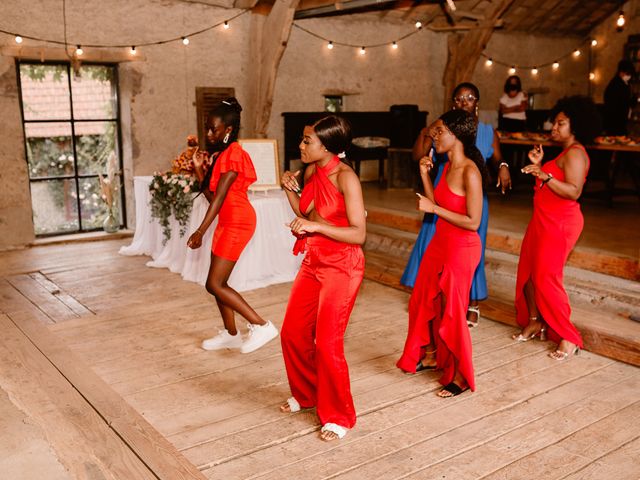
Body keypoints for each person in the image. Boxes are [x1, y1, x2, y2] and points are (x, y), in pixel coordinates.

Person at [279, 115, 366, 442]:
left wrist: (315, 227)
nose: (301, 146)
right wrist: (290, 191)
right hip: (315, 260)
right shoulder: (315, 171)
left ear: (327, 146)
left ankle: (340, 415)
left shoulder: (347, 178)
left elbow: (359, 233)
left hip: (343, 266)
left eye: (306, 141)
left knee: (327, 344)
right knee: (292, 333)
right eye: (302, 140)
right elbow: (307, 217)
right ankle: (306, 395)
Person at [401, 82, 512, 327]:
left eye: (470, 98)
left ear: (477, 103)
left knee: (471, 249)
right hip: (441, 191)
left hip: (472, 196)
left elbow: (498, 158)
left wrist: (503, 167)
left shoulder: (486, 131)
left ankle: (472, 301)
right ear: (453, 103)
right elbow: (417, 155)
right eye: (459, 98)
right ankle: (432, 295)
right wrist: (428, 132)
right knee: (432, 242)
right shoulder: (444, 129)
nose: (464, 102)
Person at [397, 109, 488, 398]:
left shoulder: (470, 171)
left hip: (462, 247)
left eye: (438, 132)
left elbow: (473, 221)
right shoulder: (447, 166)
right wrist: (425, 175)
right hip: (441, 241)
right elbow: (436, 204)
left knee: (453, 311)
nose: (433, 137)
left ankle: (461, 377)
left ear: (455, 134)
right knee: (423, 299)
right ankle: (435, 355)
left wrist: (434, 209)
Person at [187, 98, 278, 353]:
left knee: (215, 284)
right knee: (216, 282)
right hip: (227, 221)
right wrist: (198, 171)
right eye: (207, 128)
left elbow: (219, 198)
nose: (208, 133)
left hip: (238, 221)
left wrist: (200, 231)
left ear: (228, 130)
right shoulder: (223, 155)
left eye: (212, 129)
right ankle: (231, 334)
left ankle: (261, 325)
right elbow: (211, 196)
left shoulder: (235, 153)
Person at [514, 96, 601, 360]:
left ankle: (569, 336)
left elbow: (573, 192)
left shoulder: (576, 153)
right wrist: (540, 167)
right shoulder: (564, 152)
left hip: (560, 222)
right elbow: (551, 185)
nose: (554, 127)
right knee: (528, 274)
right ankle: (535, 321)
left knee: (546, 277)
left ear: (577, 125)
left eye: (561, 123)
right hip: (542, 219)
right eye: (554, 122)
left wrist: (545, 175)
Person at [603, 60, 635, 135]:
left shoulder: (624, 84)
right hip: (615, 121)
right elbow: (620, 103)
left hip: (620, 120)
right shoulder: (616, 85)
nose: (629, 76)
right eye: (627, 74)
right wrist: (631, 102)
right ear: (621, 72)